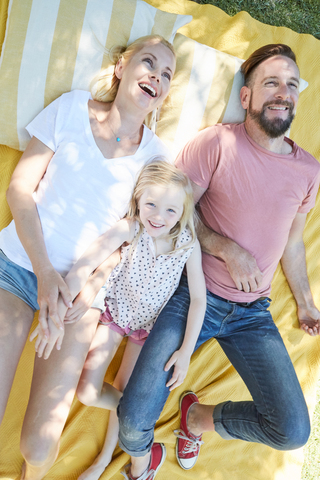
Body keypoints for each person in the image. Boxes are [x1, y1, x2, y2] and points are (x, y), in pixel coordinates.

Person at [116, 44, 320, 480]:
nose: (283, 93)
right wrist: (229, 249)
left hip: (252, 315)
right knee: (131, 426)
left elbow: (294, 241)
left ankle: (196, 420)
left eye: (291, 84)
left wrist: (304, 302)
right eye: (271, 83)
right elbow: (174, 218)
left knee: (292, 430)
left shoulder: (308, 171)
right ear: (245, 97)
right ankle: (143, 462)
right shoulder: (217, 142)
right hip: (191, 296)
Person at [0, 34, 176, 480]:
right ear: (120, 67)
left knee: (39, 447)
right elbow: (20, 191)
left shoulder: (157, 158)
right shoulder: (72, 107)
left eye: (167, 74)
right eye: (148, 62)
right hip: (19, 269)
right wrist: (44, 274)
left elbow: (131, 241)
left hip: (82, 298)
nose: (157, 75)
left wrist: (89, 284)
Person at [31, 160, 206, 480]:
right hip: (114, 315)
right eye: (151, 204)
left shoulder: (187, 246)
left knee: (126, 383)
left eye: (171, 210)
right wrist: (59, 306)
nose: (158, 216)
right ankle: (132, 413)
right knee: (87, 391)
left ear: (182, 212)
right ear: (138, 200)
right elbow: (88, 260)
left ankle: (101, 461)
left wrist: (185, 351)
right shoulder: (131, 228)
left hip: (146, 329)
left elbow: (198, 300)